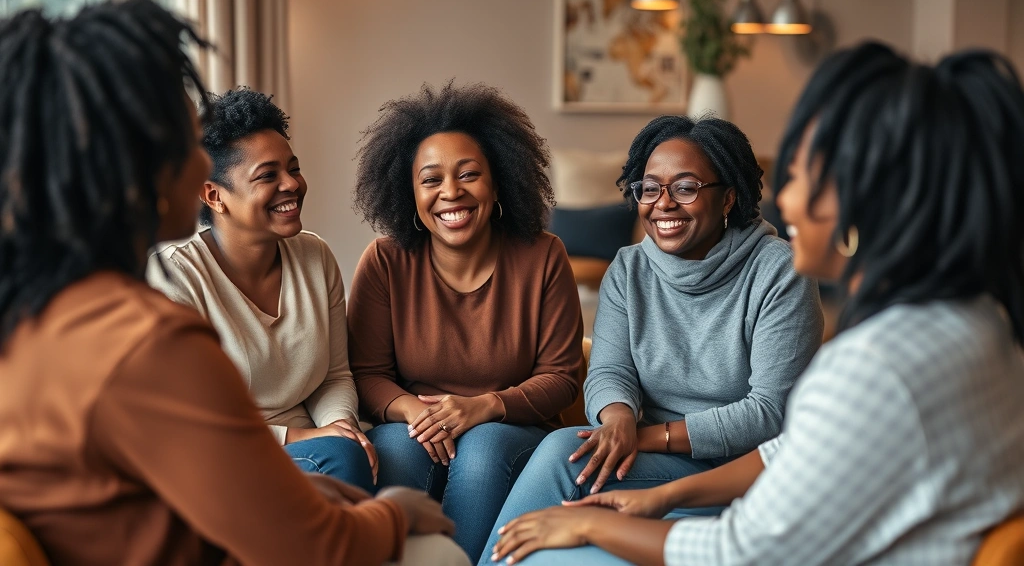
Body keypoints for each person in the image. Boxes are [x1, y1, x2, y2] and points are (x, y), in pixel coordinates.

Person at [489, 42, 1024, 566]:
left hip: (757, 527)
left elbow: (737, 546)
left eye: (801, 175)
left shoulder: (872, 368)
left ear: (867, 196)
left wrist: (589, 522)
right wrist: (663, 494)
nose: (784, 201)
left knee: (556, 547)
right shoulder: (982, 322)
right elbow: (798, 450)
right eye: (649, 189)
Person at [0, 0, 469, 565]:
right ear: (134, 168)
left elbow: (169, 486)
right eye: (183, 146)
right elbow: (310, 547)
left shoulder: (38, 313)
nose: (200, 166)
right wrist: (396, 512)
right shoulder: (146, 338)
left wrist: (322, 480)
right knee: (438, 553)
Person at [480, 114, 824, 563]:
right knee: (567, 461)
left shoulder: (779, 270)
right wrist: (619, 418)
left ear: (728, 198)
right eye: (649, 188)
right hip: (654, 460)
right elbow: (608, 370)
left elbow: (770, 412)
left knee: (566, 454)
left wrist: (646, 437)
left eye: (685, 188)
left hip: (743, 469)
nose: (663, 204)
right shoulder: (629, 269)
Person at [348, 81, 584, 560]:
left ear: (498, 181)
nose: (450, 193)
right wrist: (415, 411)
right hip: (415, 424)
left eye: (469, 174)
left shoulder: (543, 255)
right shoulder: (385, 260)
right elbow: (367, 373)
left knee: (482, 451)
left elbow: (562, 377)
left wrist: (484, 407)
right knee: (394, 447)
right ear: (409, 193)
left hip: (510, 427)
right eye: (431, 180)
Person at [147, 87, 376, 492]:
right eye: (268, 175)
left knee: (405, 446)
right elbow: (189, 416)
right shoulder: (176, 277)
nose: (291, 184)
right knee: (340, 457)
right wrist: (306, 439)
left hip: (321, 448)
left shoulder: (315, 255)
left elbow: (334, 376)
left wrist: (340, 426)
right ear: (214, 196)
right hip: (229, 455)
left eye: (294, 168)